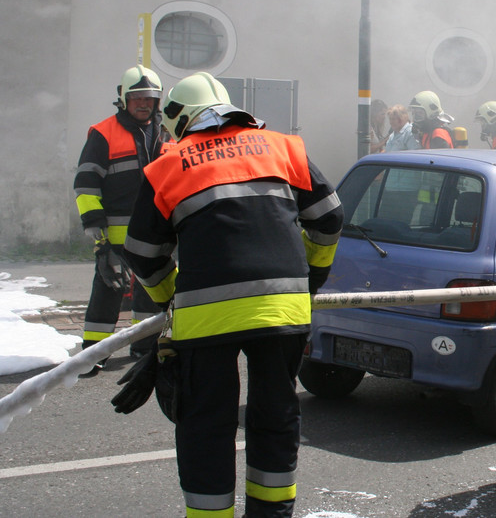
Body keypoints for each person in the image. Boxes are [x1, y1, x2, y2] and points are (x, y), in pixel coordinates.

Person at [121, 72, 345, 518]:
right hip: (283, 309)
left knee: (206, 426)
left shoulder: (168, 163)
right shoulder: (283, 147)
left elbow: (142, 253)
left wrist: (170, 299)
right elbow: (329, 218)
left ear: (179, 119)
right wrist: (310, 278)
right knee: (276, 418)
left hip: (206, 320)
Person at [73, 65, 166, 375]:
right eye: (136, 98)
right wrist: (96, 232)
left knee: (152, 291)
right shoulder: (103, 134)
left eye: (149, 98)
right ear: (123, 99)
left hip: (155, 233)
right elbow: (85, 184)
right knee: (108, 292)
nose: (143, 103)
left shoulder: (166, 134)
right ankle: (93, 354)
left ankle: (144, 346)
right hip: (115, 236)